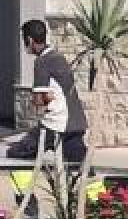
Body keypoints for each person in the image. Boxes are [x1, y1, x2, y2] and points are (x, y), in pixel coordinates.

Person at [2, 19, 88, 163]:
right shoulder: (59, 57)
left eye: (24, 40)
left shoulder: (42, 62)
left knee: (14, 152)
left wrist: (43, 98)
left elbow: (39, 102)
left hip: (54, 126)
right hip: (77, 124)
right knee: (80, 164)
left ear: (30, 40)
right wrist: (48, 96)